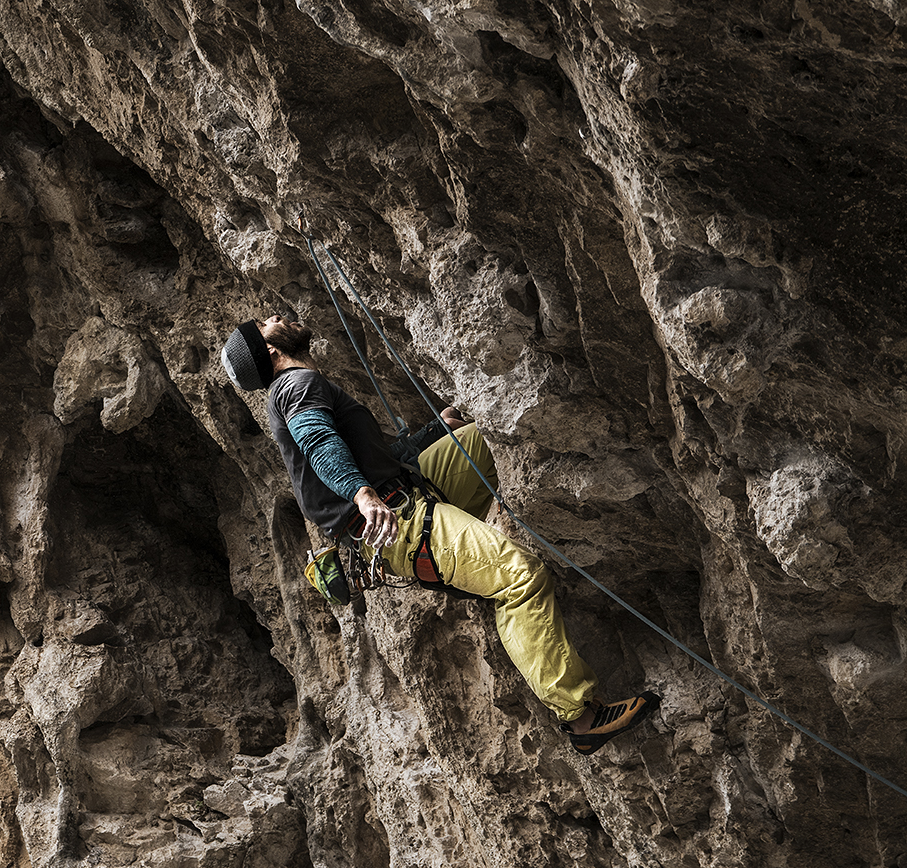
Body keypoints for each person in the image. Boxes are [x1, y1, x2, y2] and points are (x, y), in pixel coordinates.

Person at [221, 312, 660, 754]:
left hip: (407, 491)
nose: (274, 317)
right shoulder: (296, 387)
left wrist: (437, 429)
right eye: (262, 324)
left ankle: (469, 556)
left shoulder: (297, 388)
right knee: (521, 579)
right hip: (400, 517)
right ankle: (580, 717)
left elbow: (379, 455)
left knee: (478, 439)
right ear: (271, 351)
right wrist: (363, 496)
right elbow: (319, 445)